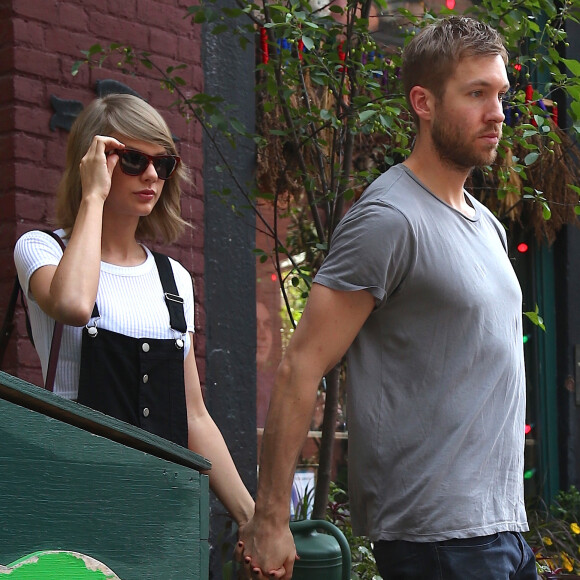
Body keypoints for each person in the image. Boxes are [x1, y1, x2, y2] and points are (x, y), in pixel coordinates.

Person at [239, 16, 537, 580]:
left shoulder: (489, 226)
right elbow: (300, 365)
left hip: (503, 530)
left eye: (499, 94)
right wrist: (270, 520)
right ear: (422, 102)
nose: (497, 112)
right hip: (439, 541)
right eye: (476, 94)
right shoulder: (389, 218)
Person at [14, 93, 254, 536]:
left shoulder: (173, 279)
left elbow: (194, 416)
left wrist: (253, 519)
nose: (151, 175)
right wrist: (92, 198)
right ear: (93, 162)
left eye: (163, 164)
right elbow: (72, 305)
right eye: (132, 160)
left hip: (159, 516)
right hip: (72, 506)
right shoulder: (43, 249)